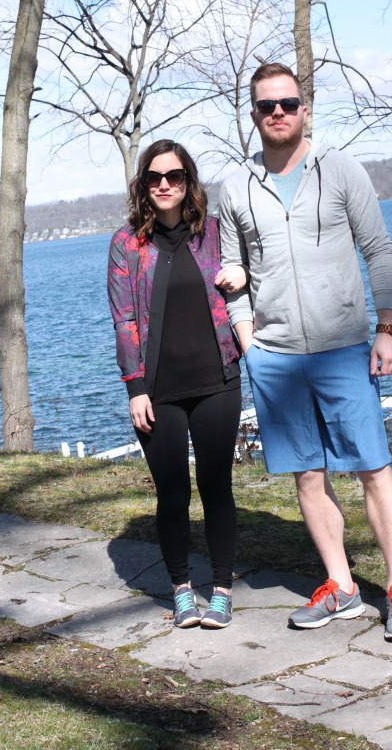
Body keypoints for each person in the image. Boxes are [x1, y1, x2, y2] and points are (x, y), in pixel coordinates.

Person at [218, 62, 392, 642]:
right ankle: (342, 585)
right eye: (266, 106)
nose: (278, 113)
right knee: (307, 474)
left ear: (304, 109)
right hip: (275, 357)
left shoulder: (341, 169)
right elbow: (231, 272)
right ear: (253, 115)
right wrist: (248, 341)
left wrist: (387, 327)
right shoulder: (235, 187)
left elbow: (378, 249)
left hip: (343, 349)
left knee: (373, 468)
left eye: (287, 103)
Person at [107, 139, 247, 629]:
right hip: (157, 390)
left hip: (218, 380)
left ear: (188, 180)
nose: (164, 184)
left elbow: (249, 278)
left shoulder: (215, 234)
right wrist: (135, 388)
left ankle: (222, 590)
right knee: (172, 493)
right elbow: (124, 319)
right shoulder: (127, 244)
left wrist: (243, 274)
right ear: (143, 184)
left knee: (216, 486)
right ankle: (182, 590)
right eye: (154, 177)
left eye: (174, 176)